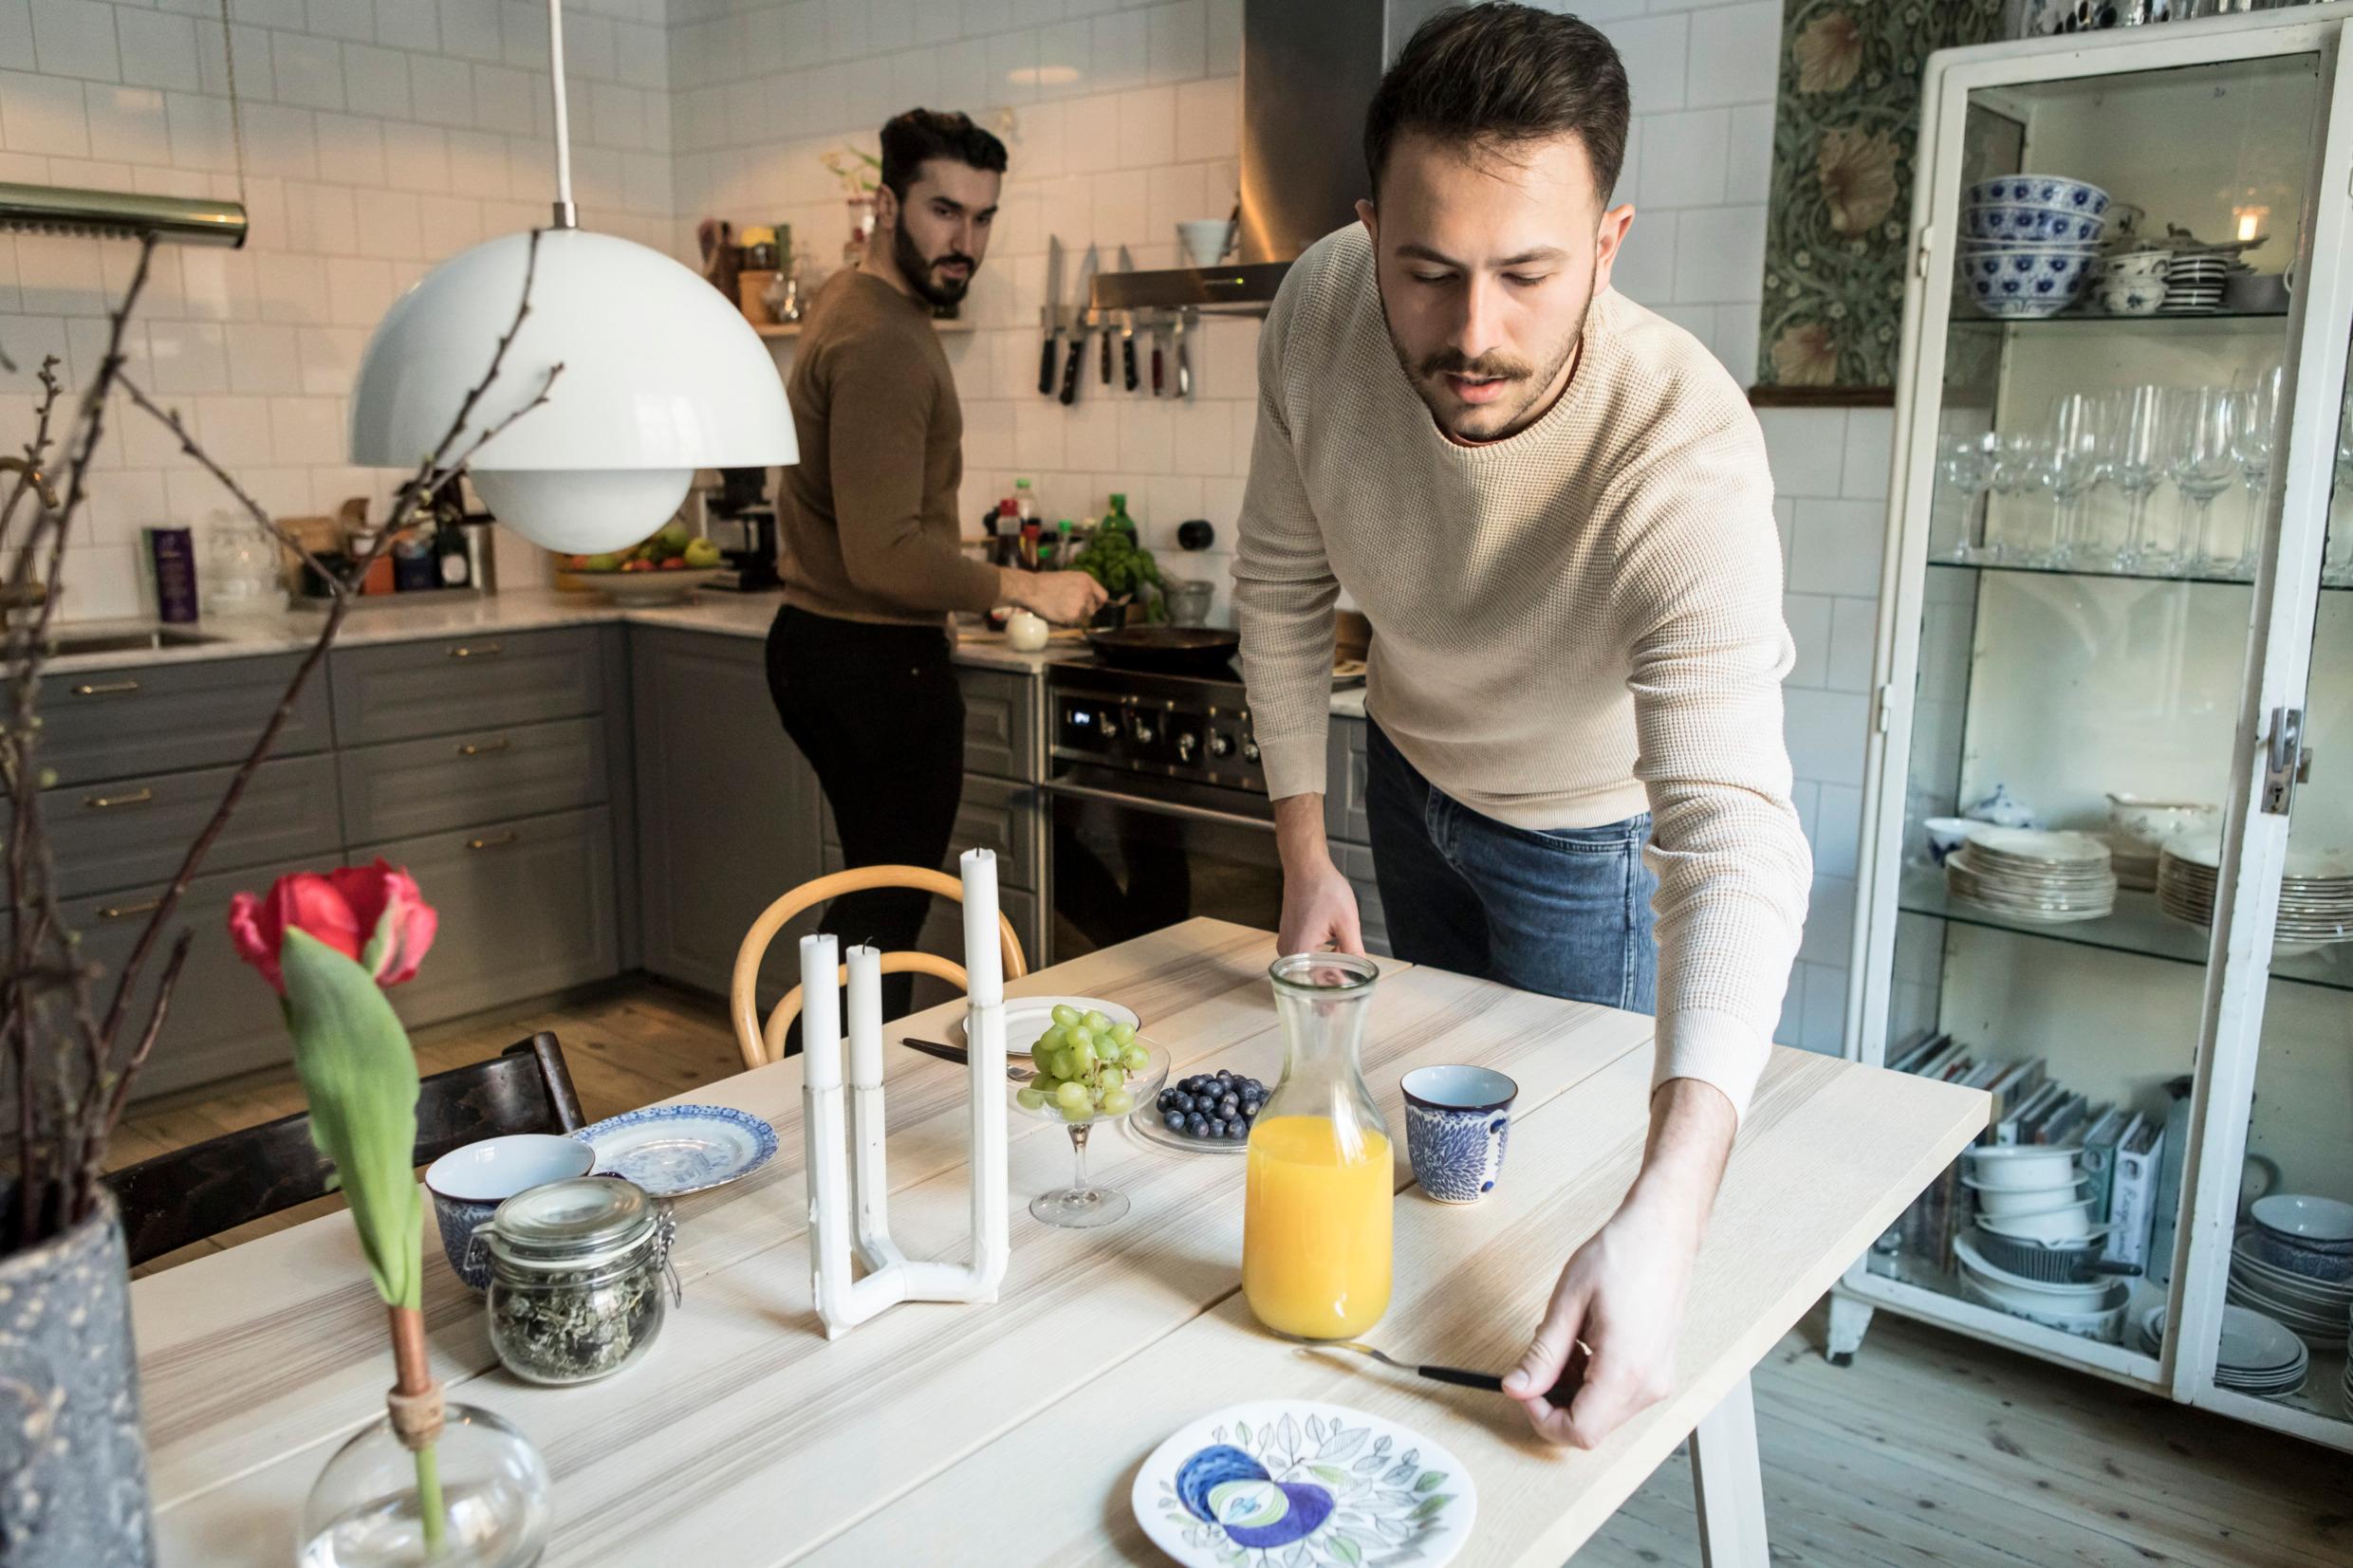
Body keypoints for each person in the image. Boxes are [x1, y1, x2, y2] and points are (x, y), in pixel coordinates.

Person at [1232, 6, 1811, 1448]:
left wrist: (1672, 1214)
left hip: (1591, 842)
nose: (1472, 334)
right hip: (1407, 774)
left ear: (1609, 246)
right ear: (1369, 231)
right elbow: (1283, 587)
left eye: (1527, 275)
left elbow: (1731, 833)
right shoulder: (1318, 308)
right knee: (1436, 1191)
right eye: (1424, 273)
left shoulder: (1679, 449)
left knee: (1571, 1210)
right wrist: (1309, 850)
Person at [769, 108, 1104, 1022]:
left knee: (876, 899)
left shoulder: (855, 301)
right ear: (886, 203)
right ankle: (845, 1110)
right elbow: (885, 555)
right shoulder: (883, 338)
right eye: (944, 212)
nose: (966, 241)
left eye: (984, 217)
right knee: (888, 906)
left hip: (825, 645)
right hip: (873, 657)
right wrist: (1025, 584)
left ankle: (831, 1101)